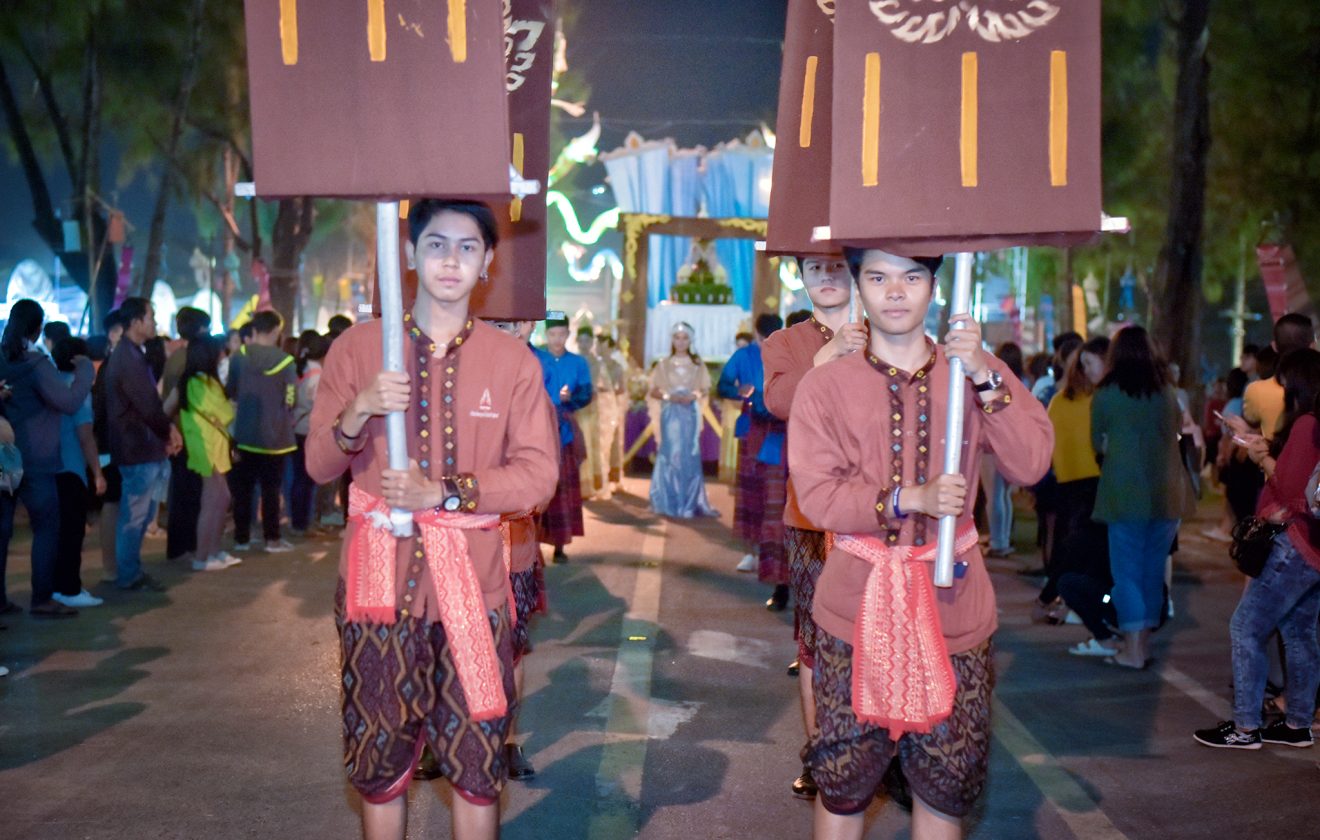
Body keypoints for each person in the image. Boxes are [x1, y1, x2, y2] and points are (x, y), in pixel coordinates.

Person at [305, 198, 559, 840]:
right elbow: (318, 465)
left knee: (477, 764)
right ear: (410, 255)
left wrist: (444, 493)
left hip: (475, 589)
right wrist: (360, 410)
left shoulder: (512, 361)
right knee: (379, 762)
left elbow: (537, 477)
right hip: (377, 591)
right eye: (436, 244)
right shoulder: (360, 348)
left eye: (467, 247)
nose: (451, 260)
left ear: (488, 261)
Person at [790, 248, 1052, 840]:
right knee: (843, 785)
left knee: (945, 788)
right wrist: (910, 499)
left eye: (911, 277)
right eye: (878, 277)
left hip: (954, 610)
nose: (895, 292)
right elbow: (817, 496)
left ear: (934, 286)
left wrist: (983, 373)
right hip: (854, 613)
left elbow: (1032, 462)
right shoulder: (825, 385)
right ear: (858, 285)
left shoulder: (971, 372)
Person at [762, 252, 868, 801]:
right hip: (811, 517)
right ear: (800, 278)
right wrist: (831, 353)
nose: (825, 277)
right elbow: (780, 401)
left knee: (876, 636)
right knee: (816, 637)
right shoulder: (786, 343)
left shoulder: (886, 334)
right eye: (813, 269)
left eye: (835, 266)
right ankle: (821, 753)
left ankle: (877, 753)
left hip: (878, 517)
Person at [1195, 348, 1320, 749]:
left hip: (1295, 543)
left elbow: (1291, 490)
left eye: (1284, 384)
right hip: (1314, 546)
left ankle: (1246, 726)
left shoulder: (1308, 423)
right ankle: (1297, 724)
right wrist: (1260, 442)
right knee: (1299, 632)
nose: (1281, 392)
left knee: (1246, 627)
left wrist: (1259, 457)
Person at [1090, 326, 1196, 669]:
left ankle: (1132, 651)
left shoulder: (1106, 394)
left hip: (1125, 493)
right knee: (1152, 572)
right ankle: (1144, 645)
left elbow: (1097, 442)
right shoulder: (1167, 392)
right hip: (1167, 493)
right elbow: (1176, 432)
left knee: (1127, 574)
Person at [0, 300, 95, 617]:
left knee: (2, 531)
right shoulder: (36, 364)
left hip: (4, 456)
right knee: (46, 528)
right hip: (37, 458)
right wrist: (85, 372)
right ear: (38, 328)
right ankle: (41, 599)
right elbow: (68, 402)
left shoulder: (2, 360)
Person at [104, 297, 180, 592]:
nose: (155, 323)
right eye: (151, 317)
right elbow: (148, 406)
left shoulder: (132, 354)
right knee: (134, 515)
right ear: (135, 322)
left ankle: (131, 570)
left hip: (139, 445)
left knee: (139, 514)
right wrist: (168, 430)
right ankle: (128, 574)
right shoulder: (128, 358)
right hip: (135, 447)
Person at [1036, 336, 1109, 625]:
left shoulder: (1058, 401)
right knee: (1086, 550)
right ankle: (1066, 601)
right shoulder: (1099, 399)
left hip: (1066, 482)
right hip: (1096, 480)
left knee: (1069, 546)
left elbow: (1049, 442)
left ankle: (1058, 599)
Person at [720, 313, 789, 610]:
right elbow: (723, 386)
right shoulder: (745, 355)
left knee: (775, 500)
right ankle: (753, 551)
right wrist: (742, 392)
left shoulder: (789, 355)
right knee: (754, 493)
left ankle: (777, 568)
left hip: (782, 435)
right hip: (756, 432)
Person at [226, 309, 297, 554]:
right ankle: (272, 539)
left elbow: (231, 390)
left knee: (243, 490)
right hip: (276, 437)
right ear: (276, 331)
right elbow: (291, 399)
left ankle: (241, 539)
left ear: (254, 330)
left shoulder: (239, 357)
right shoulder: (286, 361)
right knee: (271, 490)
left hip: (244, 433)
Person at [51, 337, 107, 608]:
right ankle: (70, 589)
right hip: (71, 468)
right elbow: (86, 437)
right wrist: (97, 472)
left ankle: (55, 586)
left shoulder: (50, 385)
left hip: (48, 467)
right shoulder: (78, 390)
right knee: (73, 533)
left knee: (55, 533)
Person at [178, 335, 241, 572]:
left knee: (219, 499)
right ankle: (204, 555)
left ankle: (211, 552)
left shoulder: (198, 381)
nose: (222, 355)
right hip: (207, 447)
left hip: (211, 446)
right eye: (219, 351)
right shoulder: (199, 382)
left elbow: (222, 413)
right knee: (216, 499)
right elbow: (225, 413)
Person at [534, 313, 593, 563]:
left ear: (568, 334)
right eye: (552, 334)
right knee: (536, 487)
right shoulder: (535, 357)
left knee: (562, 490)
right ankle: (532, 546)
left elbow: (587, 393)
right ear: (545, 334)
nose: (557, 339)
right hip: (537, 432)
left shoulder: (578, 363)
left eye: (561, 334)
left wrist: (571, 400)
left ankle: (559, 546)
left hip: (564, 432)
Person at [648, 322, 718, 519]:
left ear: (690, 340)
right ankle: (669, 499)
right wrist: (668, 396)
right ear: (672, 340)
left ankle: (689, 501)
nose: (680, 342)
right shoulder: (663, 364)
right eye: (677, 338)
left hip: (689, 413)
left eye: (685, 338)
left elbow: (704, 389)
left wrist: (693, 395)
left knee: (689, 452)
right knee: (671, 452)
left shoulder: (697, 365)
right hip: (670, 413)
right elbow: (653, 390)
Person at [160, 306, 212, 563]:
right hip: (188, 433)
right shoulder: (190, 359)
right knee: (188, 494)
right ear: (200, 329)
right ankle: (184, 547)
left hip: (179, 431)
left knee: (182, 491)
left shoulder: (176, 356)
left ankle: (180, 547)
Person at [983, 341, 1026, 559]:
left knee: (994, 494)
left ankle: (997, 541)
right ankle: (1004, 538)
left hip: (992, 443)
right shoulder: (1022, 384)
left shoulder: (995, 381)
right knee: (1004, 495)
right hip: (1012, 443)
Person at [1244, 313, 1315, 440]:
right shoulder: (1315, 388)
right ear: (1313, 346)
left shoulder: (1256, 390)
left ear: (1274, 346)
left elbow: (1251, 424)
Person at [290, 330, 329, 537]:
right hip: (310, 429)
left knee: (298, 478)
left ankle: (298, 522)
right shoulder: (317, 373)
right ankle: (304, 523)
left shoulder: (299, 368)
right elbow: (319, 404)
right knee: (308, 480)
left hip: (296, 428)